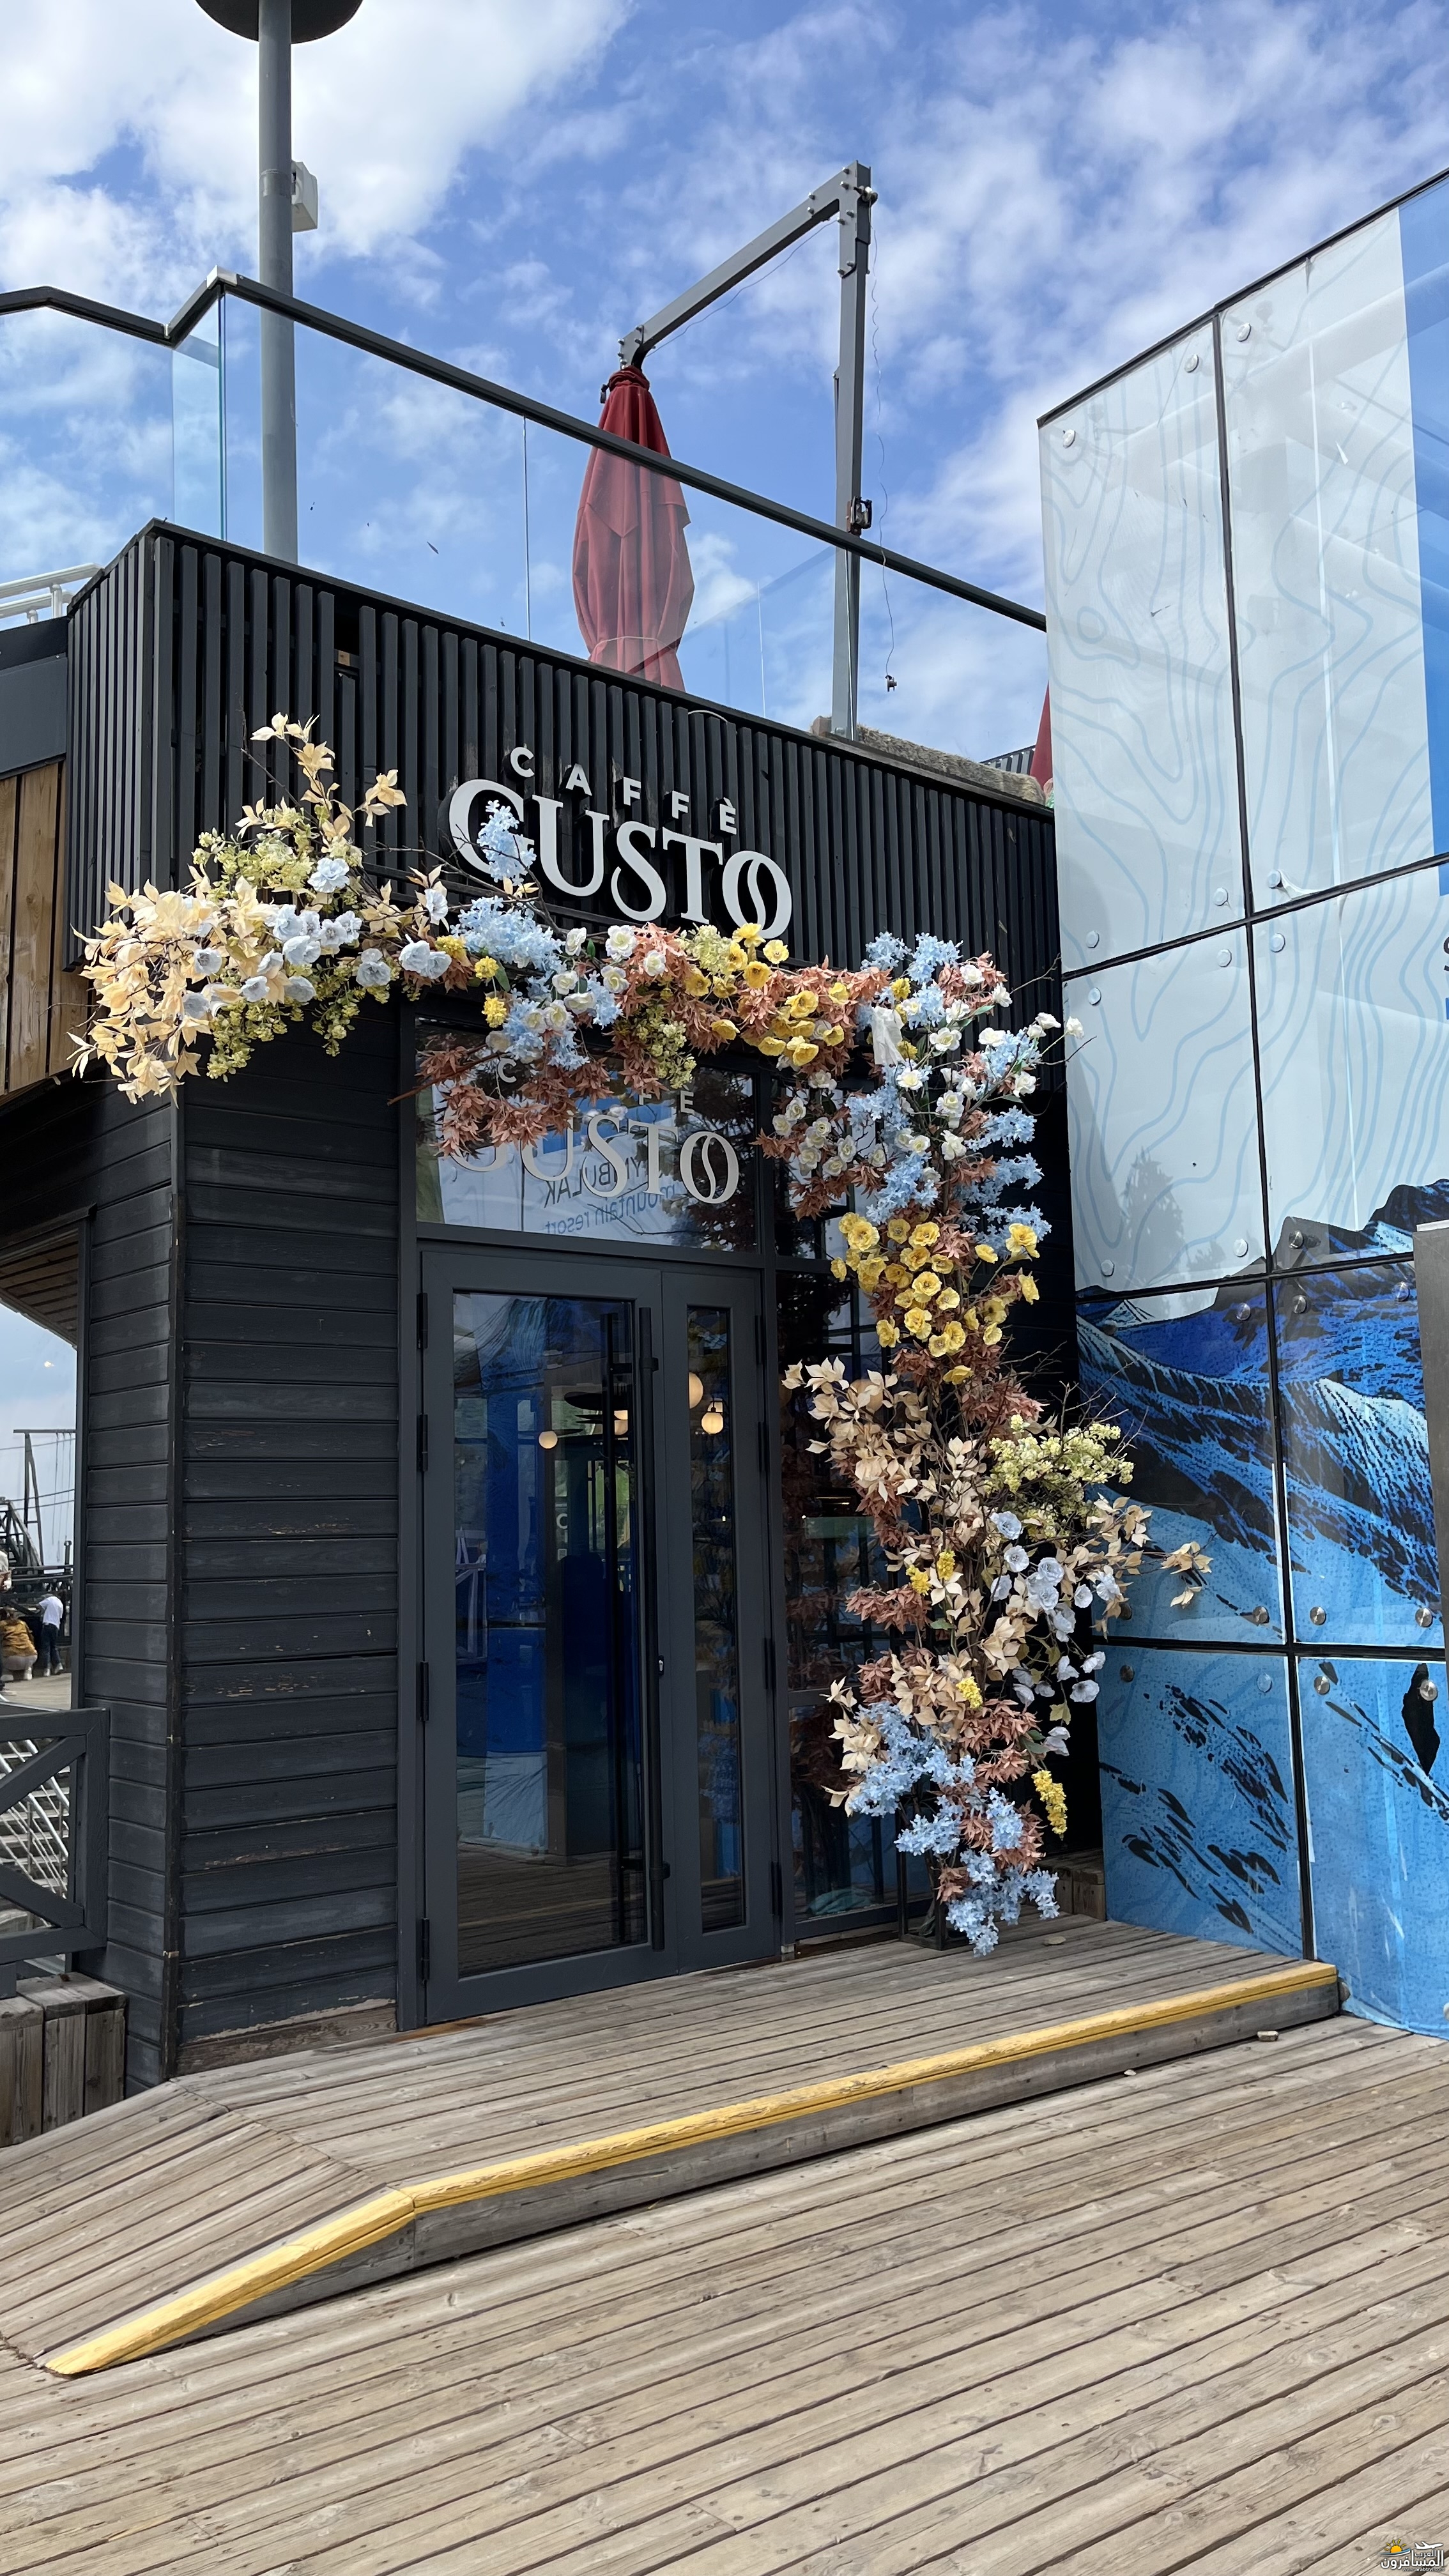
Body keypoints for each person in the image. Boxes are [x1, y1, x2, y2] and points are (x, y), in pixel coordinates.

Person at [34, 1589, 63, 1677]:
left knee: (46, 1648)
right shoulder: (61, 1604)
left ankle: (47, 1669)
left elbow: (38, 1606)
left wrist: (43, 1610)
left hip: (47, 1624)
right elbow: (60, 1617)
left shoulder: (50, 1599)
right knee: (54, 1647)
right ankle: (58, 1665)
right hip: (56, 1626)